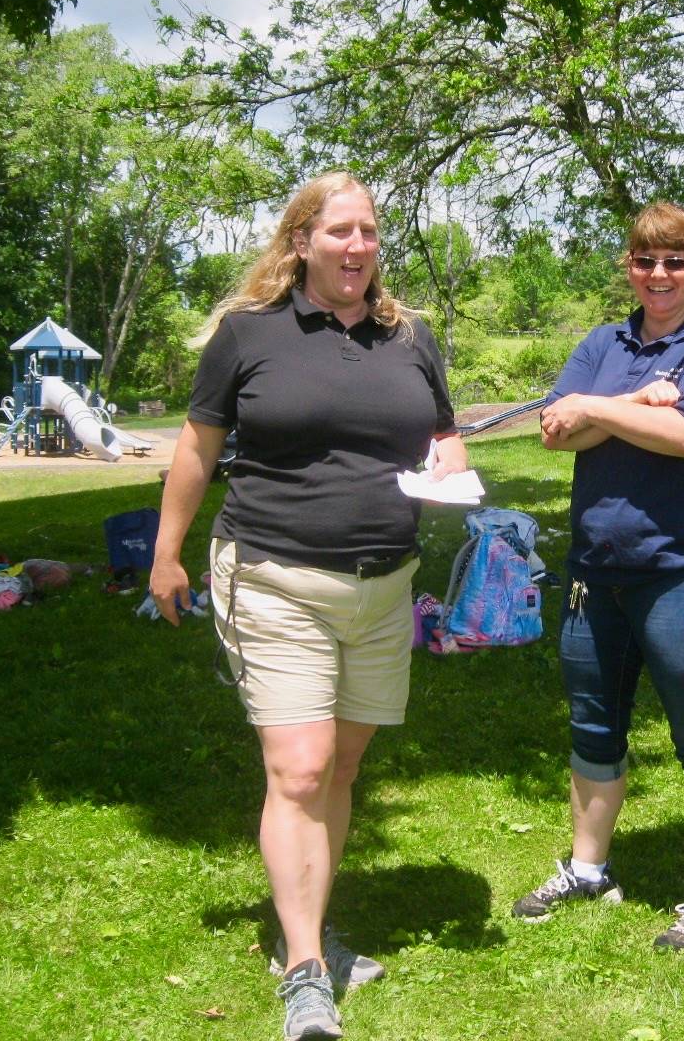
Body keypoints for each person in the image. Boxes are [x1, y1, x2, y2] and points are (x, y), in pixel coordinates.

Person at [149, 172, 467, 1041]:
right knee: (298, 768)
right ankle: (303, 970)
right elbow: (197, 444)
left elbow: (442, 434)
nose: (357, 247)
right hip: (273, 573)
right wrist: (166, 553)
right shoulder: (249, 335)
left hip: (383, 584)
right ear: (301, 243)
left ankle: (315, 921)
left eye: (368, 231)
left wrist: (449, 465)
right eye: (339, 232)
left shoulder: (412, 337)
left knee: (342, 769)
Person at [519, 202, 684, 951]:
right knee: (593, 726)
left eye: (676, 261)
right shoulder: (605, 343)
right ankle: (589, 868)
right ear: (629, 265)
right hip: (596, 573)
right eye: (645, 261)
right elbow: (556, 434)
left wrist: (596, 409)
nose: (660, 275)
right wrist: (624, 402)